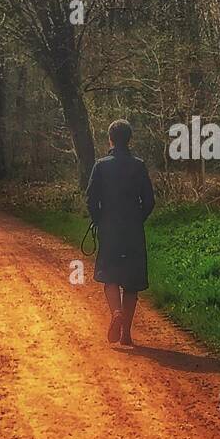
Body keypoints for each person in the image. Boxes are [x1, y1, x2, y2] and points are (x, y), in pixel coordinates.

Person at [85, 119, 155, 349]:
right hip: (133, 229)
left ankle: (116, 312)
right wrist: (137, 219)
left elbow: (91, 198)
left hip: (110, 228)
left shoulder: (101, 165)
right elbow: (149, 201)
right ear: (129, 139)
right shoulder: (139, 165)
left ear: (111, 139)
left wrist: (98, 219)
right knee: (132, 283)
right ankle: (126, 335)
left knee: (110, 276)